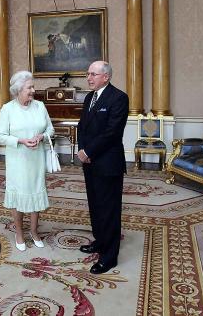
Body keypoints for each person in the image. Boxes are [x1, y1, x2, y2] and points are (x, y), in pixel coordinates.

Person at [77, 60, 129, 274]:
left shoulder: (118, 98)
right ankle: (100, 241)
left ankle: (109, 256)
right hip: (90, 163)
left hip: (108, 163)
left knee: (109, 210)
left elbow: (112, 132)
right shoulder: (89, 97)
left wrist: (89, 152)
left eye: (93, 74)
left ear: (105, 77)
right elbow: (82, 126)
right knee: (95, 206)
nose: (88, 78)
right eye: (88, 74)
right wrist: (82, 150)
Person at [0, 70, 54, 251]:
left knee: (36, 191)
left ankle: (34, 232)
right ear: (19, 89)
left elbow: (50, 130)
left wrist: (41, 137)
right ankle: (20, 233)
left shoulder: (40, 106)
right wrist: (21, 141)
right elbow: (1, 136)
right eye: (29, 87)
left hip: (36, 158)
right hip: (17, 160)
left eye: (33, 87)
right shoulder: (8, 109)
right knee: (19, 194)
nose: (33, 90)